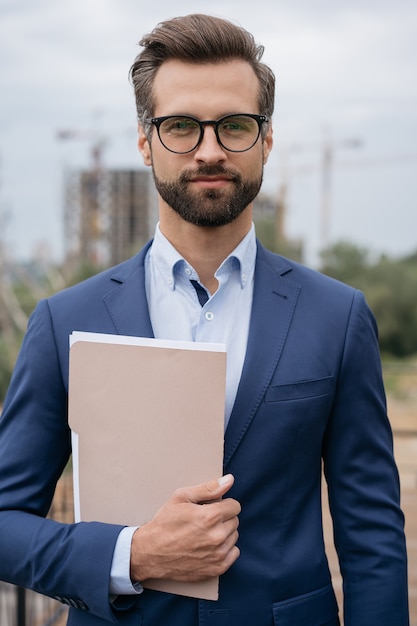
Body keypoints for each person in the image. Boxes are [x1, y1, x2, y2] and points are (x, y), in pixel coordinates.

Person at [0, 13, 409, 626]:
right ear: (145, 141)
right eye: (182, 127)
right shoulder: (64, 321)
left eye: (235, 126)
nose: (210, 150)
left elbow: (373, 535)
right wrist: (130, 554)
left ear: (267, 140)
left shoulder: (338, 316)